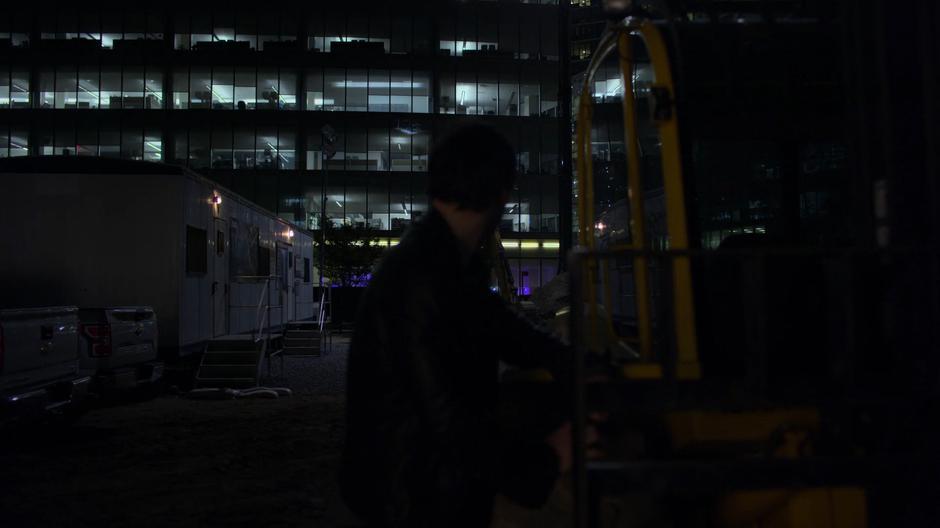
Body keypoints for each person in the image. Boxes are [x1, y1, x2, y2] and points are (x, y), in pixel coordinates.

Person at [340, 123, 576, 527]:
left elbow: (501, 326)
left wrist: (567, 360)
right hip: (414, 499)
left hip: (409, 487)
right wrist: (551, 455)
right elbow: (450, 424)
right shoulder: (427, 274)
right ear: (501, 192)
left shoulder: (438, 259)